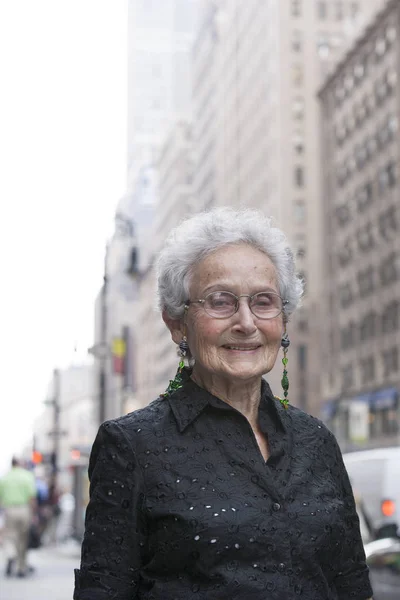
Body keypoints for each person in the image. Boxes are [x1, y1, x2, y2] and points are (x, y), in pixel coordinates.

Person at [74, 208, 373, 599]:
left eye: (264, 302)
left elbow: (351, 585)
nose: (246, 322)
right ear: (177, 322)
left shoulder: (316, 440)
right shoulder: (130, 446)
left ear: (282, 320)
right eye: (220, 301)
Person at [0, 457, 37, 577]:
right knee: (23, 539)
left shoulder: (5, 478)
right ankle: (21, 568)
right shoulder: (27, 476)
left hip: (9, 509)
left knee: (10, 536)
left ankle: (11, 555)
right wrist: (33, 513)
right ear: (20, 464)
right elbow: (32, 497)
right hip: (24, 509)